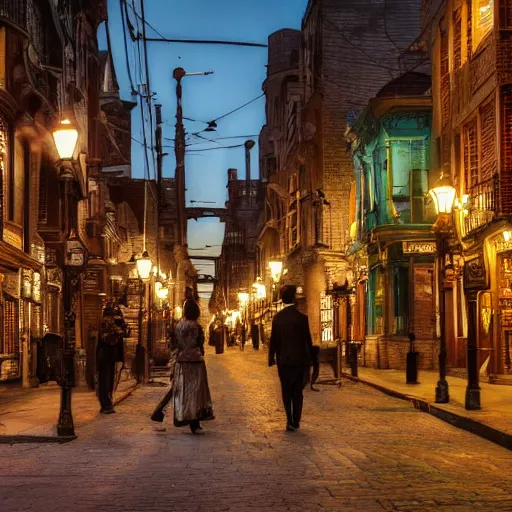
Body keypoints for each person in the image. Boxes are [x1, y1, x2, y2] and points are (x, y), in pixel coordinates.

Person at [269, 285, 316, 431]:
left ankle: (289, 420)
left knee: (286, 390)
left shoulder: (277, 319)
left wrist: (271, 358)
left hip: (283, 361)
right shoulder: (302, 318)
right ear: (294, 298)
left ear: (282, 300)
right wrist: (313, 360)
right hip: (299, 361)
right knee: (297, 391)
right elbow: (308, 340)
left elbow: (274, 341)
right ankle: (296, 420)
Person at [172, 300, 215, 433]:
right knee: (196, 391)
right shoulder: (196, 327)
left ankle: (184, 416)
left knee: (184, 391)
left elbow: (175, 344)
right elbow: (200, 344)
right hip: (195, 362)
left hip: (181, 361)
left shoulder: (179, 326)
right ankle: (195, 421)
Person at [97, 301, 130, 414]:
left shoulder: (114, 322)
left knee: (109, 379)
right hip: (106, 353)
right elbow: (108, 337)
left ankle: (107, 403)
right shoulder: (106, 322)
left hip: (111, 354)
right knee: (105, 380)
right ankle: (106, 404)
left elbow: (126, 332)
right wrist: (119, 330)